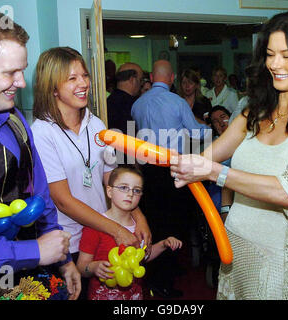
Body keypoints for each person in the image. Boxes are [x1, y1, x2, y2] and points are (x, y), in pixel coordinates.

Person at [170, 8, 288, 300]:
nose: (276, 64)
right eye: (270, 54)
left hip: (281, 258)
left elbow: (286, 191)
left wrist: (214, 173)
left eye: (287, 55)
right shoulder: (252, 110)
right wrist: (181, 162)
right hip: (237, 246)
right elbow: (210, 157)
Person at [0, 8, 80, 299]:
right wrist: (33, 252)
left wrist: (63, 258)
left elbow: (40, 194)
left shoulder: (16, 118)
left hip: (31, 279)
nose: (22, 82)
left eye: (22, 70)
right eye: (10, 72)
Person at [31, 47, 151, 299]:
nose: (83, 83)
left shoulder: (95, 124)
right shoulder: (42, 132)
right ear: (52, 88)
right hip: (68, 244)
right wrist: (117, 230)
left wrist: (138, 217)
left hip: (100, 234)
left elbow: (112, 178)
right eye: (72, 78)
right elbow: (62, 200)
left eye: (84, 76)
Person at [131, 59, 212, 298]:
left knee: (154, 223)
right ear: (172, 77)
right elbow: (196, 133)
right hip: (172, 171)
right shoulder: (176, 102)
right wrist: (210, 126)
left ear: (152, 77)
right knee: (175, 224)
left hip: (148, 172)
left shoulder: (137, 105)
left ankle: (155, 273)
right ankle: (165, 280)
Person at [77, 166, 182, 300]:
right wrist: (94, 267)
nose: (130, 194)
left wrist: (163, 244)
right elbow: (81, 266)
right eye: (123, 187)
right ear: (109, 191)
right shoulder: (95, 226)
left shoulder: (140, 229)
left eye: (136, 190)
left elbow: (143, 258)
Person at [107, 62, 143, 135]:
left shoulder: (109, 100)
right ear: (132, 80)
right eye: (140, 80)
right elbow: (131, 134)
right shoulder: (131, 105)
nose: (141, 85)